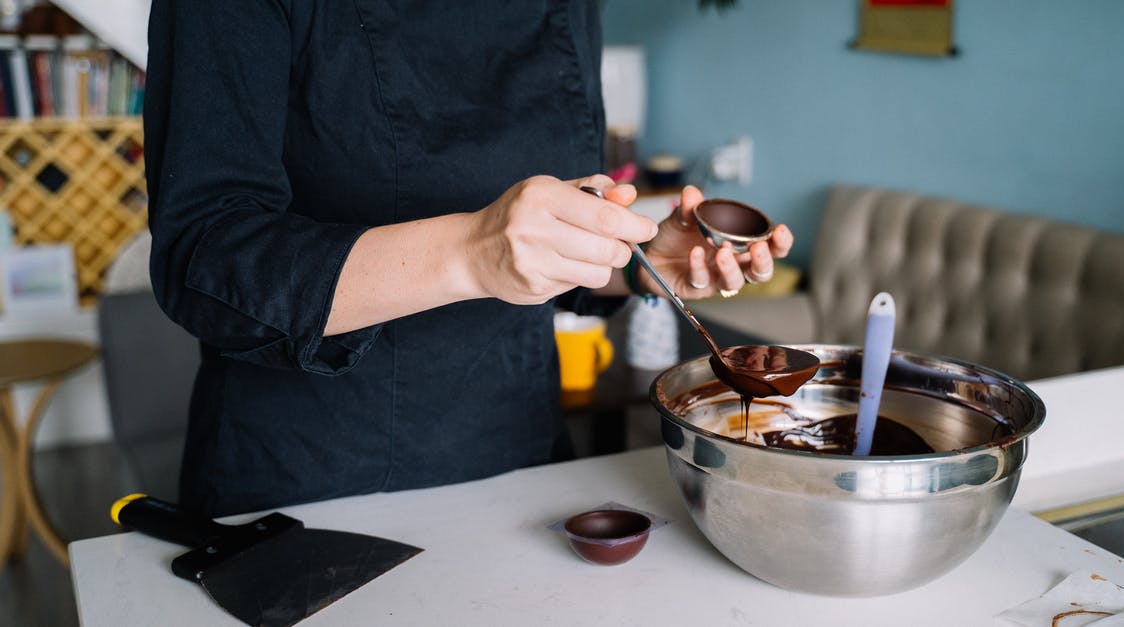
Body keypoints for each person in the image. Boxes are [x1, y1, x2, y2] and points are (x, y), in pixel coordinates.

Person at [143, 0, 793, 517]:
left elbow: (547, 240)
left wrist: (641, 260)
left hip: (522, 470)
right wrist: (472, 252)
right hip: (310, 486)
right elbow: (203, 256)